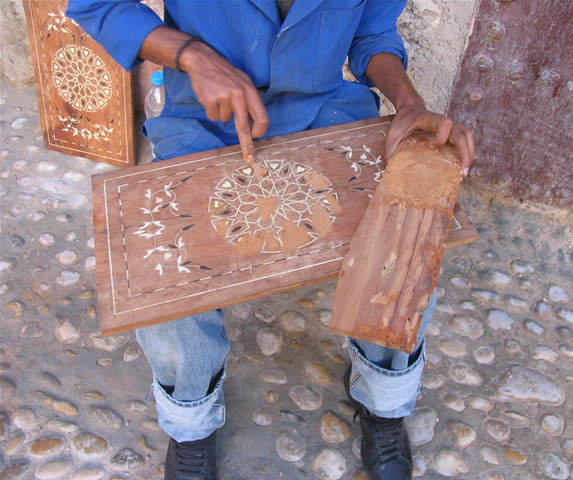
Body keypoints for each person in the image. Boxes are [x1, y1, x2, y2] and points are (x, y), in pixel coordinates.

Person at [67, 1, 474, 479]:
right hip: (204, 118)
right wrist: (193, 55)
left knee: (410, 226)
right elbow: (96, 5)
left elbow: (371, 32)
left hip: (324, 109)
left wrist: (408, 102)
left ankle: (384, 399)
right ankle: (191, 421)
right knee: (165, 268)